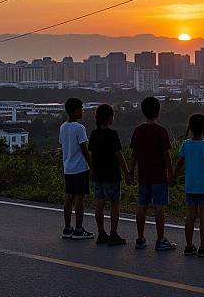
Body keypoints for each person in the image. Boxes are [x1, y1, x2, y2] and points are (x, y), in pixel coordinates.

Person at [128, 96, 176, 251]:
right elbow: (166, 156)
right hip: (159, 176)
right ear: (158, 111)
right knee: (159, 207)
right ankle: (160, 239)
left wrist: (130, 172)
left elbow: (133, 154)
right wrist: (171, 173)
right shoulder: (161, 131)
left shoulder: (138, 130)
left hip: (143, 175)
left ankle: (140, 238)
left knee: (142, 206)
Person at [174, 113, 204, 257]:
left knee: (190, 216)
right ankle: (203, 246)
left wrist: (173, 177)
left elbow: (179, 164)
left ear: (190, 128)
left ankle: (189, 246)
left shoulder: (186, 144)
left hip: (190, 187)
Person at [88, 103, 131, 246]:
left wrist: (91, 171)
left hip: (98, 174)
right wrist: (127, 172)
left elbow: (91, 155)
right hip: (112, 174)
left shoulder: (94, 134)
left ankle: (101, 233)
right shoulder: (113, 135)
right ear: (109, 118)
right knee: (114, 204)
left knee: (99, 203)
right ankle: (113, 233)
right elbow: (119, 155)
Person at [59, 97, 94, 240]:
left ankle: (67, 228)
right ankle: (79, 229)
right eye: (81, 108)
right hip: (80, 168)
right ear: (75, 111)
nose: (82, 111)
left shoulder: (63, 127)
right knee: (79, 198)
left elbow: (63, 145)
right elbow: (84, 149)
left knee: (69, 197)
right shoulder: (80, 128)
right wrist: (92, 165)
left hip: (68, 167)